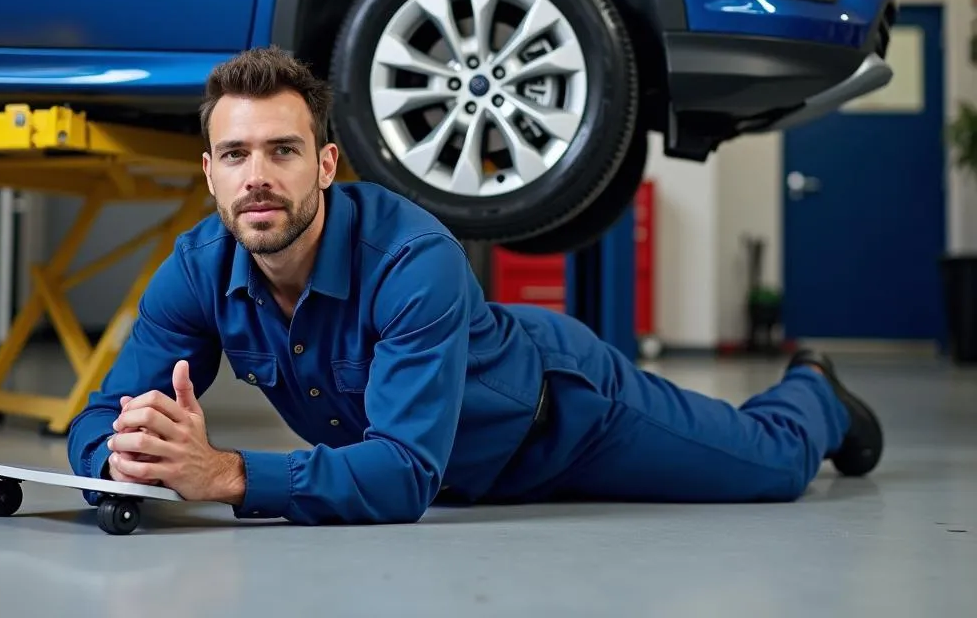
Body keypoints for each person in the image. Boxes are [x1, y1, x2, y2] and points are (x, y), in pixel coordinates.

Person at [67, 46, 884, 524]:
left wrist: (227, 474)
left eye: (282, 151)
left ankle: (812, 389)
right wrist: (125, 454)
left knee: (774, 472)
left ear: (324, 164)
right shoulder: (194, 271)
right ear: (209, 173)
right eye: (236, 156)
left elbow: (400, 475)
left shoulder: (411, 256)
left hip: (563, 417)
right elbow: (98, 418)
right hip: (441, 463)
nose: (258, 178)